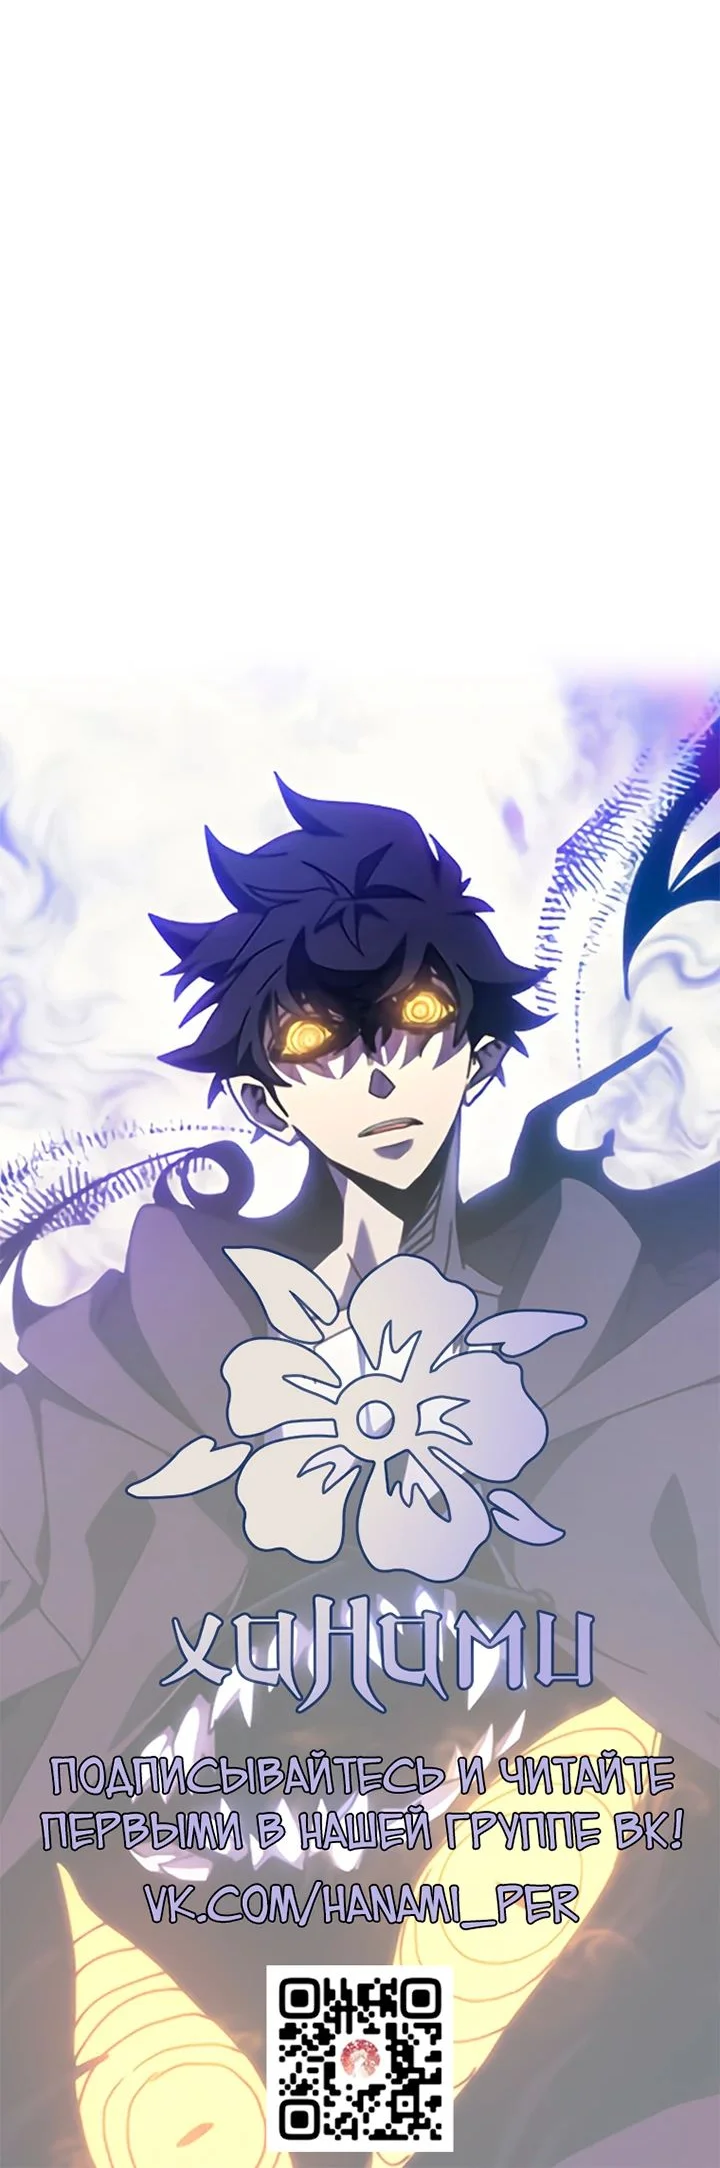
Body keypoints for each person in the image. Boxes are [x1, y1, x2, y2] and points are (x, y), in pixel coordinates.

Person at [1, 771, 718, 2168]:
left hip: (561, 1913)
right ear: (263, 1090)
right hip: (212, 1913)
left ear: (480, 1046)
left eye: (420, 1018)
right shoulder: (152, 1336)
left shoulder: (613, 1289)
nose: (381, 1077)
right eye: (320, 1039)